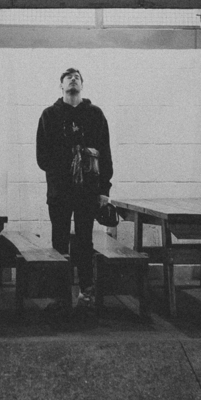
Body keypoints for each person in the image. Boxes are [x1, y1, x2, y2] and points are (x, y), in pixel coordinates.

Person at [36, 68, 113, 309]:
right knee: (59, 241)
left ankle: (87, 291)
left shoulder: (95, 115)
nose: (73, 79)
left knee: (84, 241)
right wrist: (71, 159)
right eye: (68, 77)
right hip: (59, 190)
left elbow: (105, 153)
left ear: (82, 85)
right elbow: (42, 157)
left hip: (88, 191)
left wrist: (104, 190)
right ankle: (60, 294)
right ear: (61, 85)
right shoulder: (49, 115)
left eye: (77, 77)